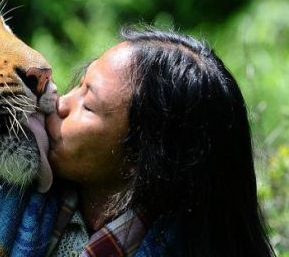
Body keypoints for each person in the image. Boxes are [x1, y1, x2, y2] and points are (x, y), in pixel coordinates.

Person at [45, 28, 275, 256]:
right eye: (80, 85)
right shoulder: (28, 204)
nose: (60, 103)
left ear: (143, 156)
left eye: (88, 106)